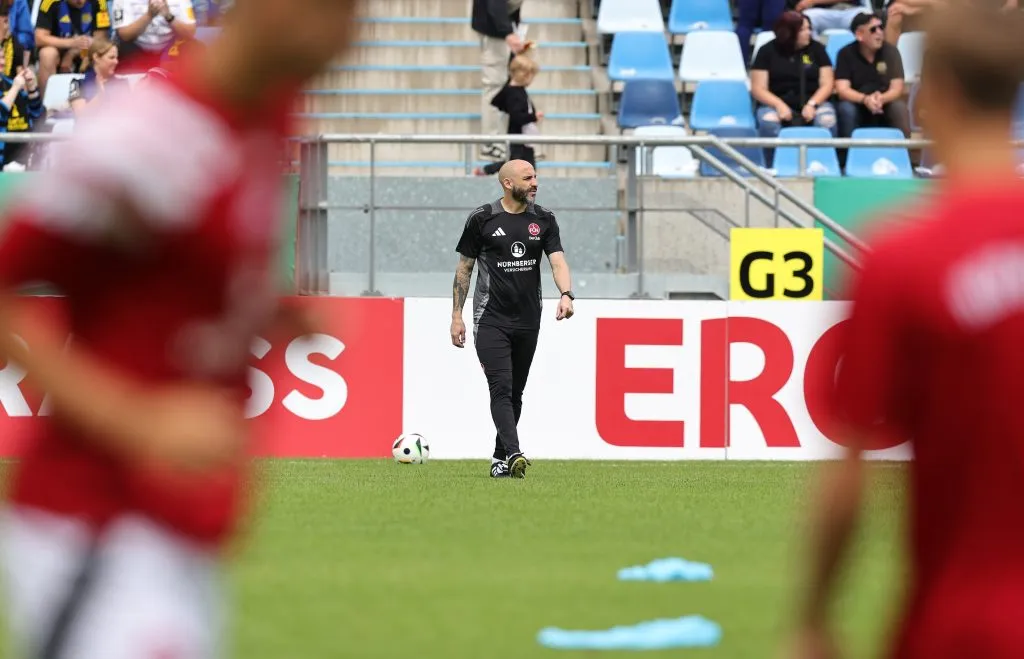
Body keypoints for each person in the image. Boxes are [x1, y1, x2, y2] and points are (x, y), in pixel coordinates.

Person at [0, 0, 361, 658]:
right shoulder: (142, 137)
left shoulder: (270, 112)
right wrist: (137, 420)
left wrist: (273, 310)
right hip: (97, 526)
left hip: (180, 525)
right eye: (332, 13)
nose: (346, 41)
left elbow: (180, 270)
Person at [788, 4, 1024, 659]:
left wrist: (812, 618)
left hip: (958, 628)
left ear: (934, 92)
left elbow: (849, 478)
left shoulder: (901, 261)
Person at [450, 159, 575, 479]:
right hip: (489, 318)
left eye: (536, 176)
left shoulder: (544, 219)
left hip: (529, 319)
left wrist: (566, 294)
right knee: (501, 387)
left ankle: (499, 457)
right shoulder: (482, 218)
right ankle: (515, 452)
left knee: (515, 391)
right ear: (507, 183)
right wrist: (457, 316)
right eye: (528, 177)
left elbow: (558, 262)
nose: (535, 182)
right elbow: (464, 269)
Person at [750, 11, 837, 168]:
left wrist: (813, 104)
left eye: (809, 28)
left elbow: (827, 83)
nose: (808, 33)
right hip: (776, 102)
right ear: (789, 32)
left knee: (827, 121)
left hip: (813, 101)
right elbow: (758, 88)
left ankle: (823, 165)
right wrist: (779, 105)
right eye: (803, 30)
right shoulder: (767, 51)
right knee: (768, 122)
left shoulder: (817, 50)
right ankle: (772, 166)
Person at [834, 12, 912, 141]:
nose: (879, 33)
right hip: (857, 102)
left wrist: (881, 98)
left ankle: (906, 156)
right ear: (859, 34)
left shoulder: (891, 52)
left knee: (899, 108)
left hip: (884, 102)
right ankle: (846, 156)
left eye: (881, 27)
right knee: (846, 109)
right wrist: (865, 99)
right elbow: (843, 90)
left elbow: (897, 88)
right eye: (873, 29)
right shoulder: (845, 53)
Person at [471, 0, 527, 162]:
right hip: (495, 31)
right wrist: (507, 32)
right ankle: (491, 143)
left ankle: (500, 140)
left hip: (503, 28)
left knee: (503, 85)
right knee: (494, 85)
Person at [473, 54, 542, 177]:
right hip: (518, 136)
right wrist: (533, 117)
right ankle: (487, 170)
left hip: (523, 137)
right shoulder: (513, 93)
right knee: (515, 163)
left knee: (522, 164)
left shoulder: (515, 90)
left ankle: (488, 170)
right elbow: (517, 116)